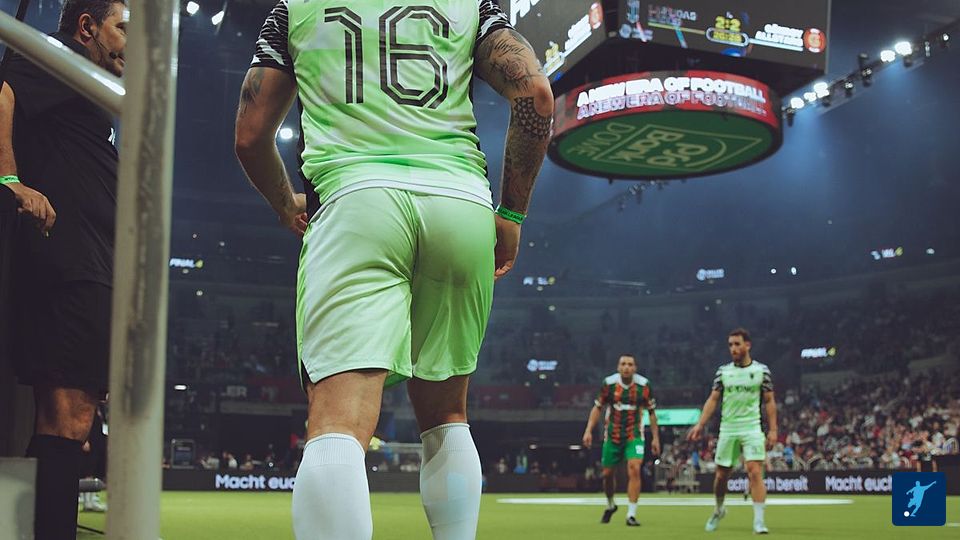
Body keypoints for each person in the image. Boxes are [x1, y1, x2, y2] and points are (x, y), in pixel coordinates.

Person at [234, 1, 552, 538]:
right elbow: (536, 95)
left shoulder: (295, 7)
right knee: (447, 417)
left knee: (338, 423)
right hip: (460, 205)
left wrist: (286, 204)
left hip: (357, 202)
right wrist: (513, 214)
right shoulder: (471, 5)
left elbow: (249, 135)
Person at [0, 1, 126, 538]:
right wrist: (10, 181)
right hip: (69, 263)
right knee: (67, 416)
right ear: (86, 27)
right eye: (123, 29)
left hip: (92, 263)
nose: (131, 46)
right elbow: (2, 93)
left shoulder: (82, 85)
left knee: (73, 420)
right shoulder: (53, 57)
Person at [687, 328, 777, 534]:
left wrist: (773, 430)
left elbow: (770, 401)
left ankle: (759, 522)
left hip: (752, 427)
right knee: (721, 476)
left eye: (737, 344)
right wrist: (700, 424)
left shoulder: (762, 371)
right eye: (730, 345)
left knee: (755, 471)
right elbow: (713, 399)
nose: (733, 348)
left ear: (748, 345)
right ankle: (719, 510)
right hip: (728, 428)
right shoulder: (723, 372)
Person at [582, 354, 660, 527]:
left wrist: (655, 438)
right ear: (618, 367)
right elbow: (598, 407)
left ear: (635, 368)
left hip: (634, 435)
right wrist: (588, 430)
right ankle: (611, 505)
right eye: (623, 364)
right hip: (613, 436)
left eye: (630, 364)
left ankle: (631, 514)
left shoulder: (644, 385)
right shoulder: (609, 384)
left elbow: (652, 412)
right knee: (607, 474)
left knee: (635, 468)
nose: (626, 367)